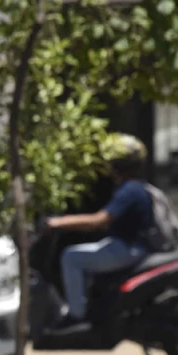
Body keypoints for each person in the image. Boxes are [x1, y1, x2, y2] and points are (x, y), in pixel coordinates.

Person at [43, 135, 155, 333]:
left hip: (127, 249)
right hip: (129, 247)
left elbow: (99, 220)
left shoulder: (129, 190)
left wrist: (58, 222)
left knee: (71, 257)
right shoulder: (136, 188)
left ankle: (76, 316)